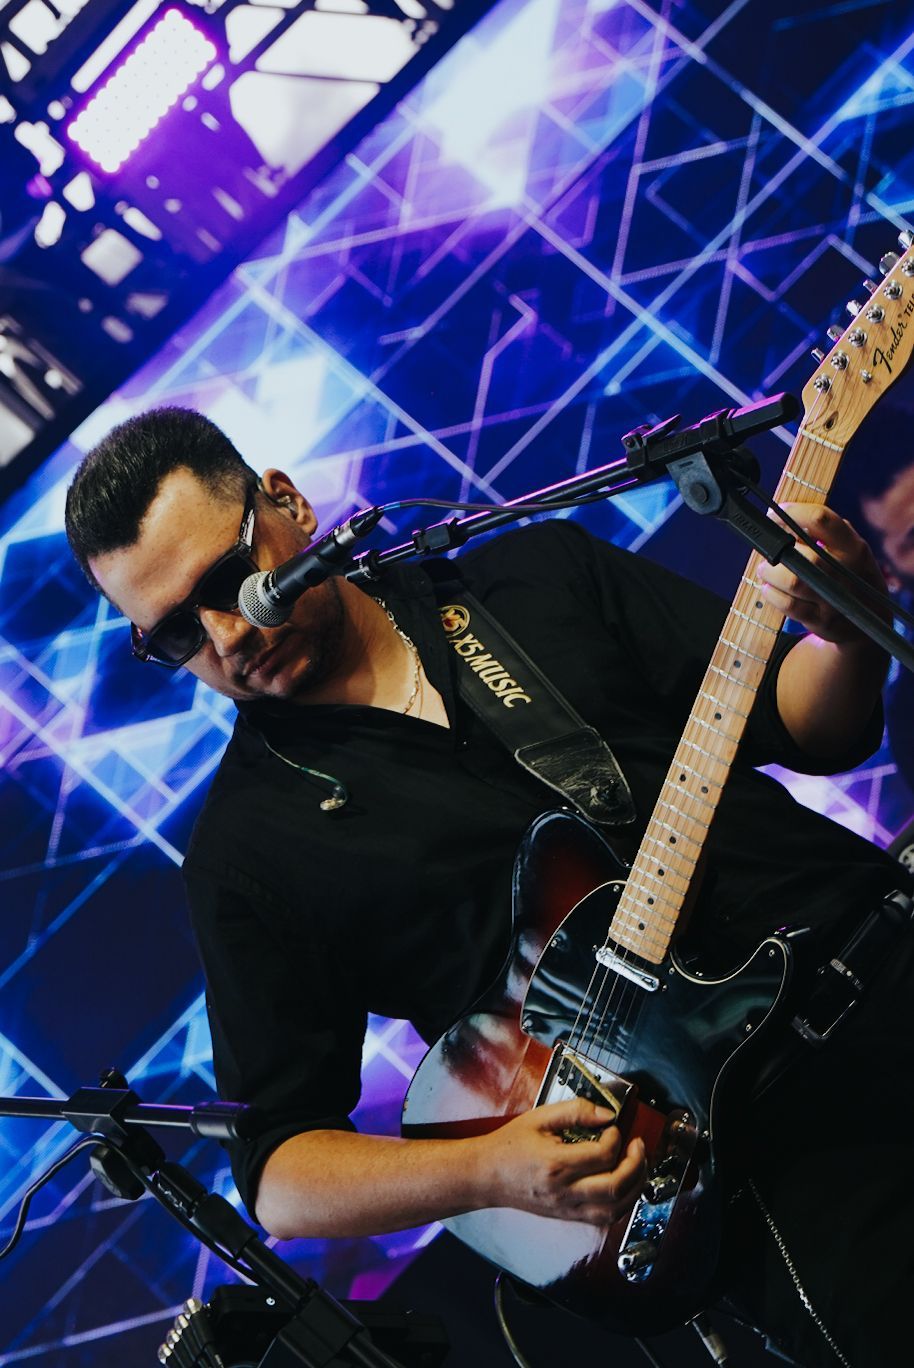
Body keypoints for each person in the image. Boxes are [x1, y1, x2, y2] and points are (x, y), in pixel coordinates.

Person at [64, 406, 913, 1366]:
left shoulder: (530, 573)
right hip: (770, 1170)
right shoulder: (245, 855)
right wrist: (487, 1169)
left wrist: (849, 625)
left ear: (286, 505)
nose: (227, 635)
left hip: (889, 956)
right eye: (174, 636)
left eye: (229, 580)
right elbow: (280, 1174)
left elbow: (813, 728)